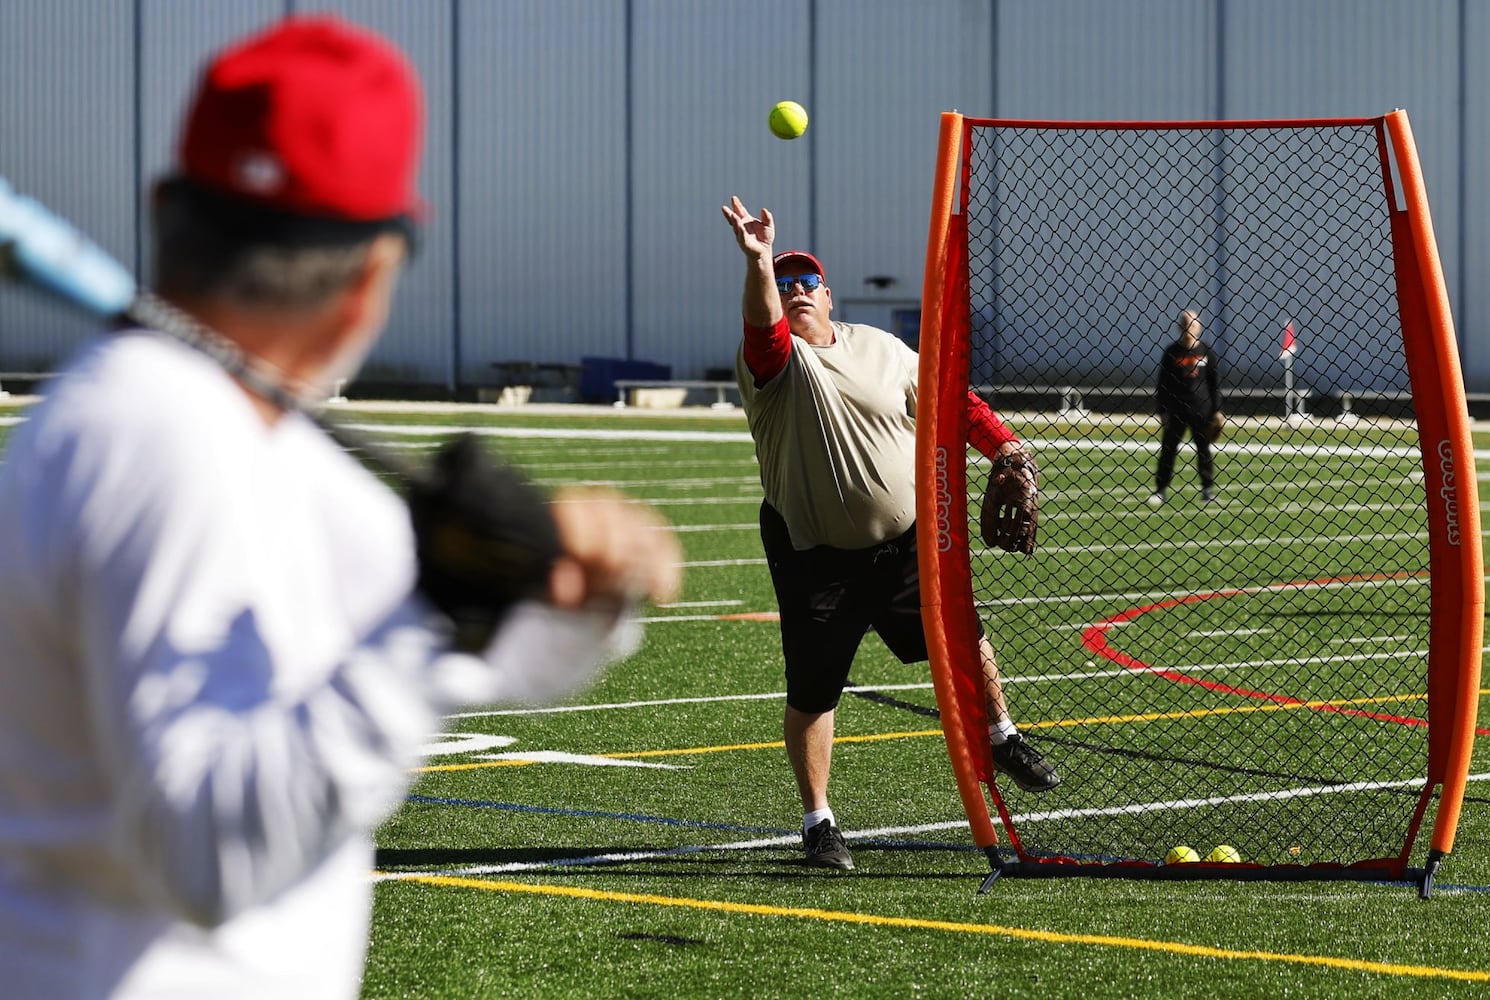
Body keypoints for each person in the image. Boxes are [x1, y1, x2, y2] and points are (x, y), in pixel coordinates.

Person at [0, 17, 680, 998]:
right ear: (373, 277)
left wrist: (558, 588)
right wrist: (439, 611)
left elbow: (462, 651)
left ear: (165, 209)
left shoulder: (253, 430)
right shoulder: (158, 436)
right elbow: (209, 856)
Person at [719, 195, 1059, 873]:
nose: (794, 292)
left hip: (904, 543)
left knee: (964, 634)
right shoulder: (776, 365)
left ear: (828, 293)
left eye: (804, 282)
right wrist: (758, 262)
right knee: (813, 690)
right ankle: (819, 824)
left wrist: (1006, 448)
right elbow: (763, 330)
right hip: (815, 555)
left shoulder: (882, 349)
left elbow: (951, 400)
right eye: (783, 286)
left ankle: (1003, 734)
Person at [1151, 308, 1223, 505]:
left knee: (1204, 450)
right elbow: (1162, 385)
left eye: (1192, 324)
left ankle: (1207, 490)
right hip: (1176, 410)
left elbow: (1214, 384)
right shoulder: (1172, 353)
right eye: (1185, 324)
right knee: (1168, 450)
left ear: (1199, 328)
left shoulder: (1207, 352)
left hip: (1202, 410)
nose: (1189, 328)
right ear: (1179, 327)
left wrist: (1217, 411)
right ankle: (1160, 490)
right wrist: (1163, 411)